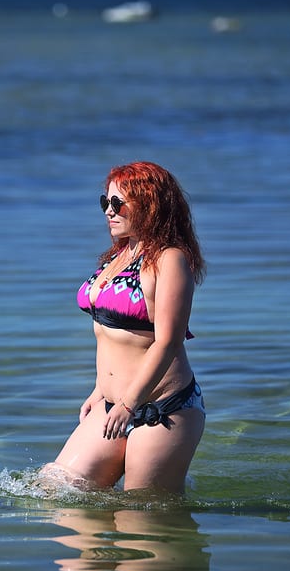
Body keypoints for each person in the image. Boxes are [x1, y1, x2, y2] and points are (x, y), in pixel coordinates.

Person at [44, 161, 206, 493]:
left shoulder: (169, 259)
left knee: (142, 519)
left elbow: (168, 343)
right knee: (55, 491)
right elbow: (109, 336)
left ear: (150, 205)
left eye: (118, 203)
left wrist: (129, 404)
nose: (109, 211)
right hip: (111, 405)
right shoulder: (118, 256)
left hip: (163, 407)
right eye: (105, 202)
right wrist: (100, 389)